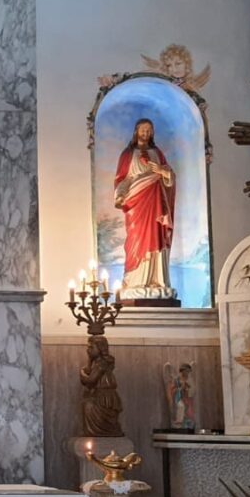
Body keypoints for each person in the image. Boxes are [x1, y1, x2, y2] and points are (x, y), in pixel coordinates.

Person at [114, 118, 175, 296]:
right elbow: (122, 178)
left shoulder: (157, 153)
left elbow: (170, 177)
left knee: (155, 235)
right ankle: (135, 281)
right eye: (143, 130)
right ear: (136, 131)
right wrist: (120, 195)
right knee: (137, 237)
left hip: (156, 201)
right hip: (136, 202)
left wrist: (162, 172)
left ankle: (157, 280)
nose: (146, 133)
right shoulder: (128, 154)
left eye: (149, 130)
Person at [80, 335, 123, 438]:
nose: (88, 350)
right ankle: (94, 431)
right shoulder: (97, 363)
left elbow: (91, 380)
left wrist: (81, 374)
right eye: (88, 347)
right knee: (86, 404)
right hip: (99, 395)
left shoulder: (102, 364)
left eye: (91, 347)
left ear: (100, 348)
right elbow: (89, 372)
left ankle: (100, 430)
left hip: (105, 397)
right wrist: (89, 360)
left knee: (88, 406)